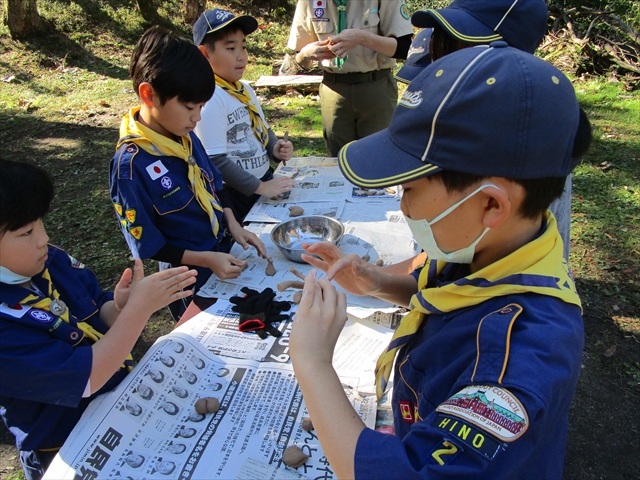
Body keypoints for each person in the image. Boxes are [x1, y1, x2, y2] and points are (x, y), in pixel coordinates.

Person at [290, 44, 591, 479]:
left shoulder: (517, 363)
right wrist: (377, 282)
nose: (402, 202)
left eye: (410, 187)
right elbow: (452, 296)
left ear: (491, 204)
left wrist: (312, 361)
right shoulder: (503, 247)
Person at [0, 159, 197, 480]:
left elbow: (95, 309)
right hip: (63, 447)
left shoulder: (49, 260)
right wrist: (139, 310)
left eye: (40, 224)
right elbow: (87, 378)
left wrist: (120, 306)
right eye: (26, 232)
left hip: (116, 410)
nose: (42, 239)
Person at [109, 26, 267, 321]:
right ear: (149, 95)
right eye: (190, 107)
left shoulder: (184, 134)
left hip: (220, 253)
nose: (197, 118)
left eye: (202, 107)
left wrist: (233, 223)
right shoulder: (130, 167)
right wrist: (204, 259)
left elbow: (214, 182)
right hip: (184, 276)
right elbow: (149, 244)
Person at [193, 9, 296, 222]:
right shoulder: (210, 97)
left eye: (244, 46)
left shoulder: (243, 89)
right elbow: (215, 160)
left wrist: (274, 148)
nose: (241, 56)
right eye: (231, 48)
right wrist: (260, 187)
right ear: (205, 54)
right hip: (236, 194)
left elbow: (260, 129)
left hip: (263, 182)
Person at [286, 0, 413, 156]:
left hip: (376, 88)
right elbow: (300, 60)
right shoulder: (308, 2)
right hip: (334, 90)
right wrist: (306, 54)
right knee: (338, 161)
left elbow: (404, 48)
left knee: (379, 158)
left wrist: (363, 38)